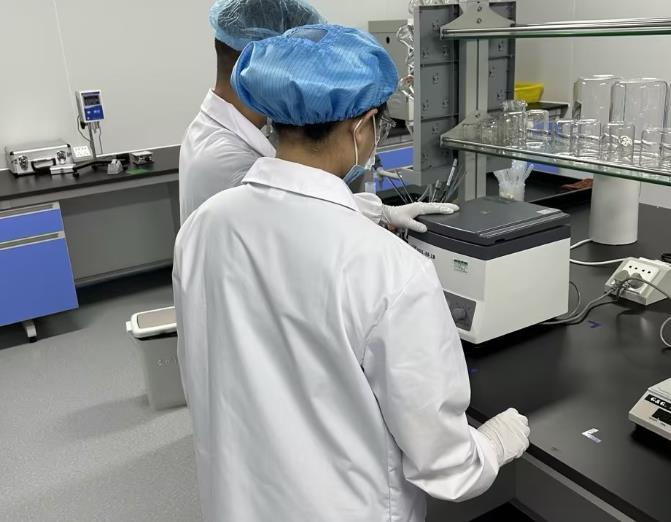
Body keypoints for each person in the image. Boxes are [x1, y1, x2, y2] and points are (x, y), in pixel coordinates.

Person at [174, 24, 530, 522]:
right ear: (362, 127)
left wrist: (376, 212)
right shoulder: (390, 270)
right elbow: (444, 465)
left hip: (237, 500)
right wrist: (491, 445)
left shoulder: (204, 225)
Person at [179, 0, 457, 230]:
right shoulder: (228, 161)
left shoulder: (220, 128)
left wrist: (381, 212)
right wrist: (378, 220)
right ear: (264, 64)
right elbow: (303, 210)